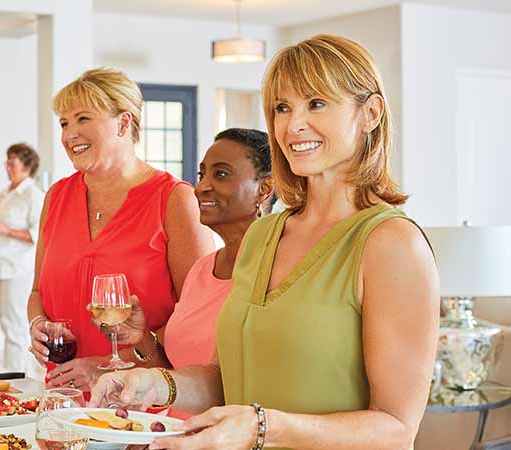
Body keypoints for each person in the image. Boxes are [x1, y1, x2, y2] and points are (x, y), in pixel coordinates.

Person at [91, 35, 440, 450]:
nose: (293, 126)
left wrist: (262, 427)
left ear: (370, 113)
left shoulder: (391, 244)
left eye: (316, 103)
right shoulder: (263, 235)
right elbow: (227, 380)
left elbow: (397, 430)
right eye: (282, 107)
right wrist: (154, 383)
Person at [28, 68, 215, 391]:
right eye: (64, 123)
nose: (70, 133)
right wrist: (38, 324)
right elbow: (37, 293)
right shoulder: (56, 196)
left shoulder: (173, 199)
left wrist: (110, 366)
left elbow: (199, 318)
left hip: (143, 403)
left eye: (83, 119)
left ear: (124, 123)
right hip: (64, 399)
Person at [88, 128, 274, 371]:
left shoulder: (277, 270)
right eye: (202, 174)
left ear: (264, 188)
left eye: (221, 174)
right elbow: (173, 374)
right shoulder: (202, 269)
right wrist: (141, 337)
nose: (201, 187)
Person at [0, 143, 44, 376]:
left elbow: (38, 235)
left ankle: (16, 381)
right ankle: (20, 375)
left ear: (27, 166)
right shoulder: (6, 192)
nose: (8, 168)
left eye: (13, 164)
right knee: (6, 325)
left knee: (15, 327)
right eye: (7, 163)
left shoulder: (33, 195)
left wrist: (6, 231)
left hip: (18, 269)